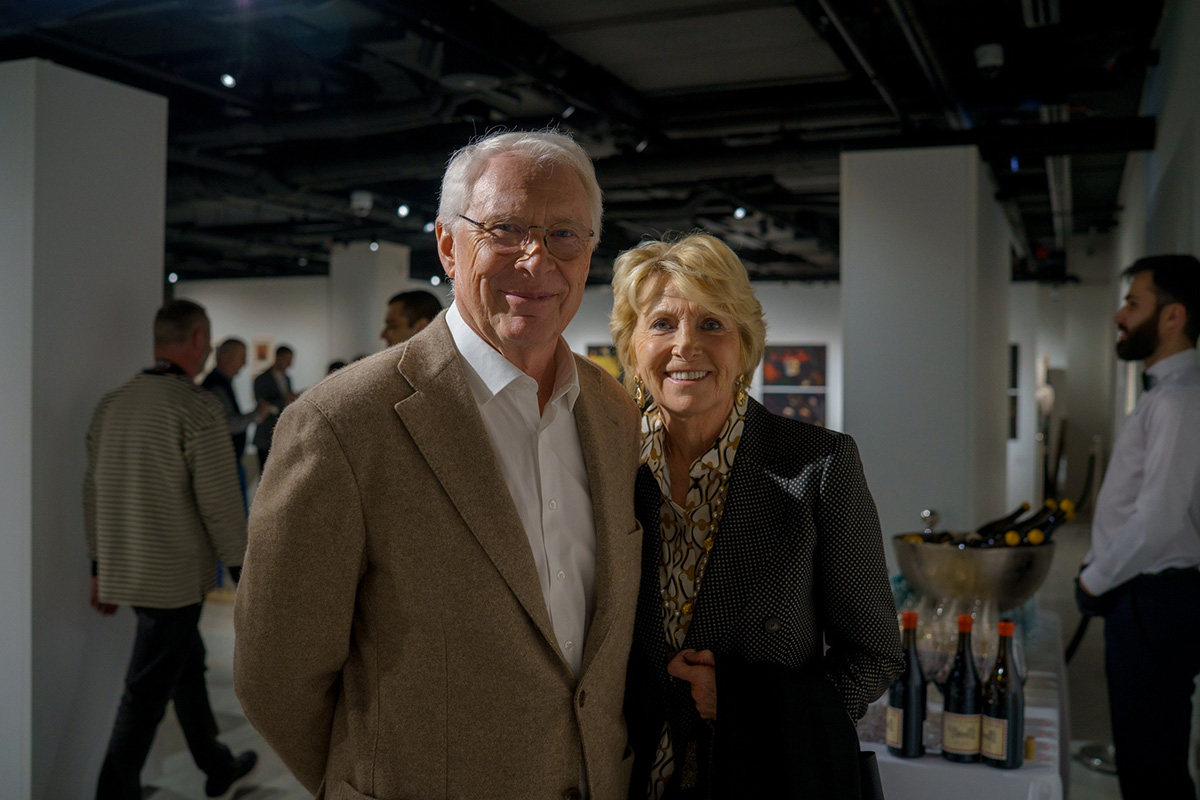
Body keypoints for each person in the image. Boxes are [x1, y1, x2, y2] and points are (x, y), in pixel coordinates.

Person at [233, 130, 643, 800]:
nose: (537, 259)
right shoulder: (342, 423)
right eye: (506, 229)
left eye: (564, 234)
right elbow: (275, 676)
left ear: (590, 250)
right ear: (449, 246)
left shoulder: (613, 413)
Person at [610, 233, 902, 799]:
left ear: (744, 346)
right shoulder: (609, 464)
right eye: (662, 324)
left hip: (761, 774)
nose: (685, 345)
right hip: (622, 773)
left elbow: (875, 654)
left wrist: (753, 707)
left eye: (712, 325)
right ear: (632, 348)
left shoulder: (818, 465)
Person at [84, 300, 256, 799]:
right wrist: (245, 573)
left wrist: (99, 566)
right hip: (174, 577)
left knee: (185, 666)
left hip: (128, 570)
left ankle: (216, 765)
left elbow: (92, 491)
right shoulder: (196, 407)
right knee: (145, 693)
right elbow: (220, 502)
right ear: (198, 339)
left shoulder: (112, 403)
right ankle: (113, 792)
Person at [1076, 254, 1200, 800]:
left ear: (1173, 316)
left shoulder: (1177, 401)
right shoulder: (1166, 395)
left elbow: (1158, 517)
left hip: (1155, 600)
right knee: (1145, 757)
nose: (1119, 316)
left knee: (1152, 768)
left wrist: (1093, 580)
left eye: (1132, 303)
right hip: (1147, 596)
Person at [201, 338, 271, 496]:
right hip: (222, 466)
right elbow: (227, 424)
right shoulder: (216, 386)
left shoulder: (222, 383)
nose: (244, 363)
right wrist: (256, 415)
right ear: (226, 357)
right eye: (242, 357)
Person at [251, 344, 297, 467]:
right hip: (265, 435)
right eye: (287, 360)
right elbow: (263, 405)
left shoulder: (287, 378)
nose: (289, 364)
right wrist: (285, 399)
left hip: (282, 434)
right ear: (278, 358)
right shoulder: (261, 380)